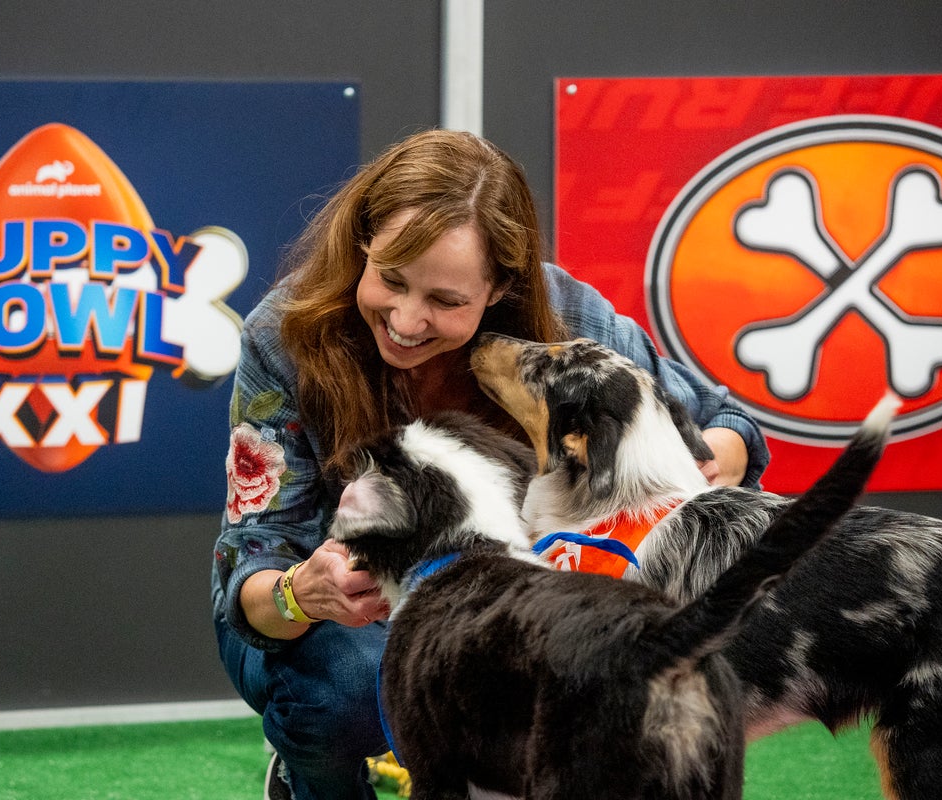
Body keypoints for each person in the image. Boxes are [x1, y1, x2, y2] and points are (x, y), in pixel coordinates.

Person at [212, 128, 770, 800]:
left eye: (446, 302)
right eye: (391, 279)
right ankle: (311, 778)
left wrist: (708, 465)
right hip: (334, 623)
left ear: (503, 286)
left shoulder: (565, 314)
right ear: (363, 240)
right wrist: (304, 591)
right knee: (349, 689)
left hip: (510, 605)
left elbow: (726, 422)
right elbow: (250, 578)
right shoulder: (283, 334)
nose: (408, 320)